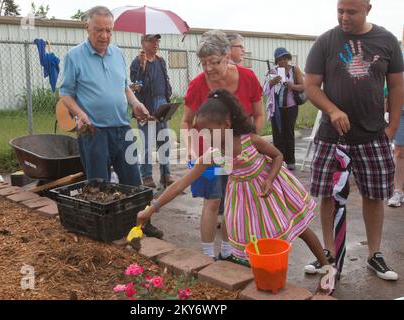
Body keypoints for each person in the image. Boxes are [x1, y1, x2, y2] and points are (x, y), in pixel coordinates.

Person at [139, 89, 336, 294]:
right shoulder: (214, 154)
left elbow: (278, 156)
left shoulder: (250, 140)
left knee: (301, 228)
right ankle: (264, 279)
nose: (205, 136)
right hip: (244, 200)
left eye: (209, 131)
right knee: (254, 242)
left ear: (226, 125)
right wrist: (151, 209)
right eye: (202, 132)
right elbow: (180, 184)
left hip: (271, 190)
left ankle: (327, 268)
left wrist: (269, 180)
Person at [304, 0, 403, 280]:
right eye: (340, 10)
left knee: (374, 195)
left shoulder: (387, 41)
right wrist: (332, 110)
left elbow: (397, 86)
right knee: (327, 195)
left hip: (373, 134)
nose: (344, 17)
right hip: (331, 136)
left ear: (368, 9)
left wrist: (393, 125)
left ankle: (374, 254)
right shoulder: (325, 41)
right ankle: (327, 252)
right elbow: (311, 86)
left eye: (351, 11)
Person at [59, 6, 163, 239]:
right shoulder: (74, 56)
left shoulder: (117, 54)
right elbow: (65, 93)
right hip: (93, 131)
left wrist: (136, 104)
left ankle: (143, 225)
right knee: (99, 186)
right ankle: (104, 231)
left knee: (133, 182)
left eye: (108, 30)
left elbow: (124, 87)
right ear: (87, 26)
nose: (104, 35)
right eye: (98, 30)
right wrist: (79, 114)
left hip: (122, 128)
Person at [182, 30, 264, 261]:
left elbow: (258, 115)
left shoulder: (247, 77)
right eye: (203, 63)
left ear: (227, 57)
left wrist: (250, 143)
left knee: (233, 199)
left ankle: (229, 250)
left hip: (237, 153)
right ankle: (207, 254)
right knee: (213, 200)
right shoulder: (198, 85)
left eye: (213, 62)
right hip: (209, 152)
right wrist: (191, 152)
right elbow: (187, 121)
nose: (208, 68)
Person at [130, 34, 175, 189]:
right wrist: (142, 68)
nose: (155, 44)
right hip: (145, 104)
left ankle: (165, 174)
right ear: (143, 43)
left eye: (157, 41)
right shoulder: (136, 63)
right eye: (151, 41)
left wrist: (167, 96)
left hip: (161, 101)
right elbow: (136, 86)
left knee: (164, 140)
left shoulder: (161, 61)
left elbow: (166, 79)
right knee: (147, 142)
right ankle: (147, 176)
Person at [264, 48, 305, 171]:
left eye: (284, 58)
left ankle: (291, 161)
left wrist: (291, 86)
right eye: (279, 59)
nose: (282, 61)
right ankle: (280, 162)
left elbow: (303, 87)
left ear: (288, 58)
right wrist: (271, 83)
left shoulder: (294, 70)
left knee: (289, 133)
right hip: (276, 108)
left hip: (291, 107)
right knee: (278, 135)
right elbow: (265, 90)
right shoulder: (272, 71)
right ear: (276, 61)